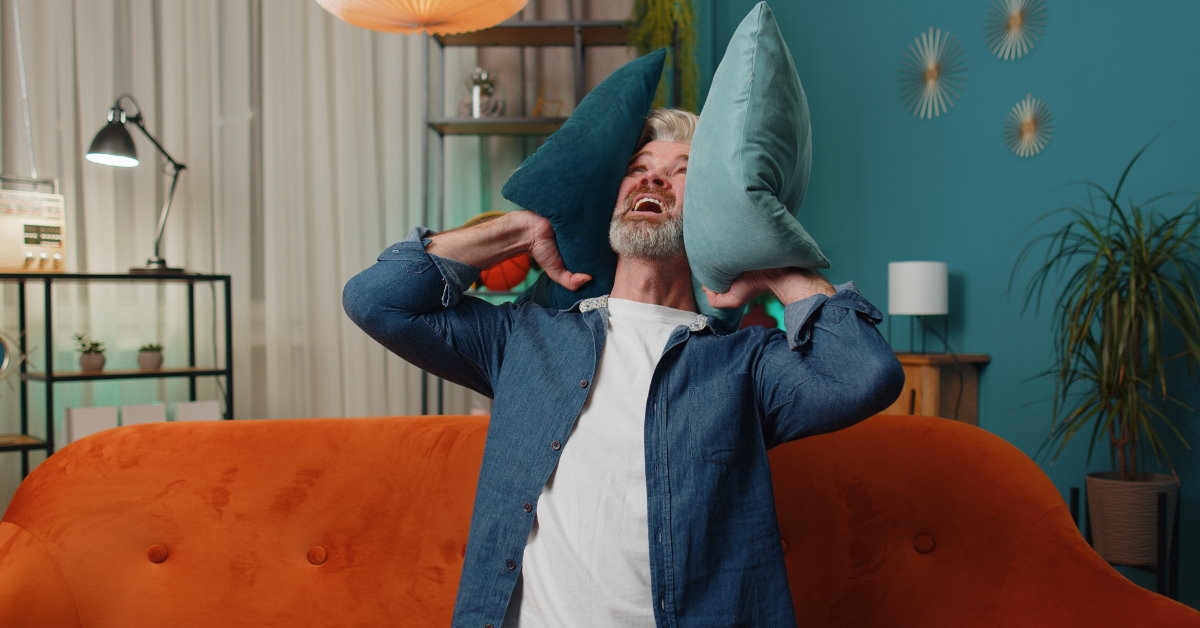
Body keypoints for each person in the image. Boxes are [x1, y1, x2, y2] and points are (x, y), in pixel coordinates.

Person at [343, 108, 903, 627]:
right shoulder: (525, 336)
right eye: (639, 168)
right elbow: (377, 299)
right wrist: (520, 229)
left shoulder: (745, 366)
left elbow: (863, 374)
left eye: (682, 171)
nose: (653, 179)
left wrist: (775, 262)